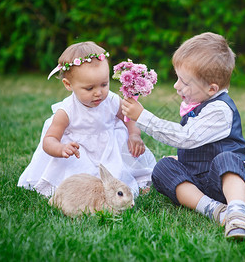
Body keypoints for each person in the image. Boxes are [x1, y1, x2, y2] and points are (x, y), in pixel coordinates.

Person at [121, 32, 245, 240]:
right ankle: (213, 209)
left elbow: (185, 137)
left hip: (221, 182)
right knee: (163, 168)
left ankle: (237, 213)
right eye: (177, 78)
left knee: (227, 160)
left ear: (212, 88)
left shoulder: (220, 109)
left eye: (184, 82)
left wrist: (143, 117)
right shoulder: (199, 102)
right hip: (197, 180)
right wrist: (182, 160)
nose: (176, 86)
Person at [18, 41, 156, 198]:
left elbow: (128, 117)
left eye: (104, 84)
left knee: (120, 172)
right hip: (79, 154)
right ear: (68, 84)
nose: (98, 93)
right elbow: (49, 140)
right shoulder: (66, 111)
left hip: (110, 151)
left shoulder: (111, 100)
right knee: (80, 185)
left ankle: (135, 182)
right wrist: (61, 148)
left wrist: (134, 134)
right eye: (89, 88)